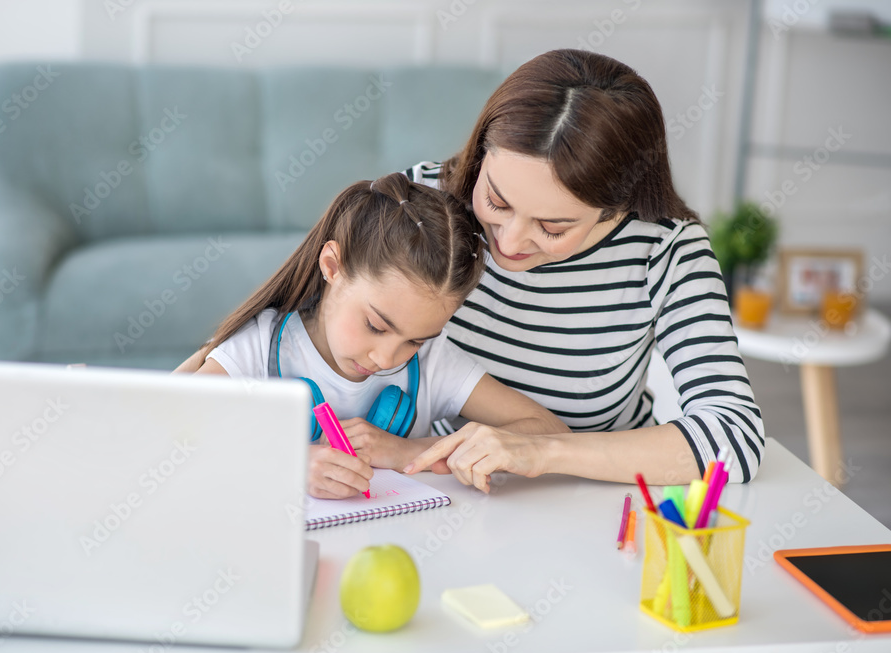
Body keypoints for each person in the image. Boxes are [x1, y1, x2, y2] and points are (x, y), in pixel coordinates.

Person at [399, 49, 765, 492]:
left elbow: (735, 436)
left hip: (598, 503)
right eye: (496, 201)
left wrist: (544, 451)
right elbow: (305, 329)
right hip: (434, 487)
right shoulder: (419, 205)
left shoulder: (665, 249)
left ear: (615, 209)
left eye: (552, 227)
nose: (509, 243)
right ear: (482, 152)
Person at [173, 173, 567, 499]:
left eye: (415, 340)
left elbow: (548, 431)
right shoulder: (260, 346)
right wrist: (288, 461)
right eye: (376, 326)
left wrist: (409, 451)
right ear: (332, 265)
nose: (387, 359)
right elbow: (174, 428)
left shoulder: (432, 363)